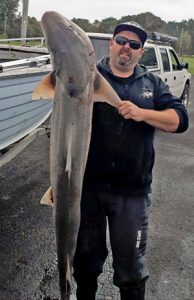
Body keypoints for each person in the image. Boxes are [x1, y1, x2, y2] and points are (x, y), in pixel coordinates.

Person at [72, 21, 189, 300]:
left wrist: (142, 113)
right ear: (112, 44)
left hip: (132, 192)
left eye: (134, 45)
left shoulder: (151, 83)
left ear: (140, 52)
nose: (127, 47)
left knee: (132, 270)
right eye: (122, 40)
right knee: (85, 264)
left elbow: (180, 120)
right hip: (89, 189)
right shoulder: (90, 76)